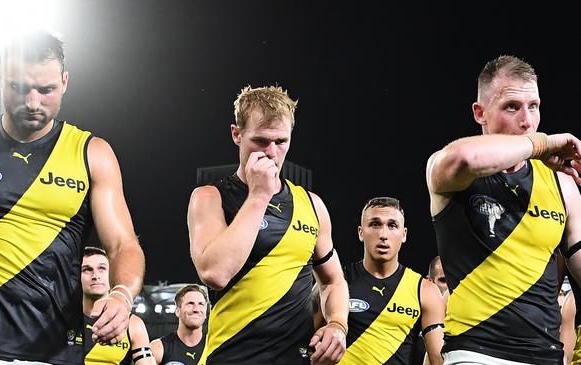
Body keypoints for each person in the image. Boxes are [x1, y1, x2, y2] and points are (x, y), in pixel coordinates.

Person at [0, 30, 145, 364]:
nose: (32, 102)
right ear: (0, 78)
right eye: (19, 88)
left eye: (45, 90)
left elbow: (123, 246)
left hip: (57, 350)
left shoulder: (92, 154)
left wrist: (121, 296)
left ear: (64, 82)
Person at [426, 54, 581, 364]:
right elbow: (466, 158)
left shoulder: (561, 185)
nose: (526, 121)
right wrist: (543, 143)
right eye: (512, 107)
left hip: (545, 356)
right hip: (475, 352)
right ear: (480, 113)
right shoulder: (449, 169)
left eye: (533, 106)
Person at [187, 85, 349, 364]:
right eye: (261, 141)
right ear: (236, 135)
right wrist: (259, 194)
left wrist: (337, 324)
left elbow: (333, 280)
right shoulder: (210, 197)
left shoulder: (311, 205)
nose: (272, 152)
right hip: (231, 357)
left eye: (281, 141)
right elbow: (215, 273)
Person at [330, 197, 444, 365]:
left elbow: (438, 360)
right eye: (375, 224)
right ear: (361, 232)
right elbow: (303, 342)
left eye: (392, 225)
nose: (383, 235)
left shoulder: (425, 290)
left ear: (404, 234)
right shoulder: (336, 282)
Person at [82, 247, 155, 365]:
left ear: (112, 274)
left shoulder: (132, 324)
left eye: (102, 268)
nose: (95, 276)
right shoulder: (60, 317)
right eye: (87, 270)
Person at [150, 284, 207, 365]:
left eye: (201, 304)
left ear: (206, 313)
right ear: (178, 311)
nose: (196, 309)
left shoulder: (215, 346)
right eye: (190, 304)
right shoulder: (158, 348)